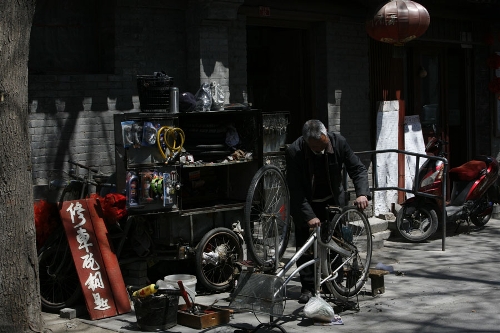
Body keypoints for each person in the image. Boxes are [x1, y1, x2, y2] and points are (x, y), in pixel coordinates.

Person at [285, 119, 371, 304]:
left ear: (326, 136)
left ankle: (333, 282)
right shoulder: (295, 151)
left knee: (334, 243)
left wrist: (362, 193)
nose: (321, 150)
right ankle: (308, 287)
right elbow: (296, 189)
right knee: (305, 246)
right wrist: (309, 216)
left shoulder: (338, 142)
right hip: (307, 202)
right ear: (307, 142)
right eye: (316, 147)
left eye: (323, 145)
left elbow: (357, 168)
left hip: (332, 200)